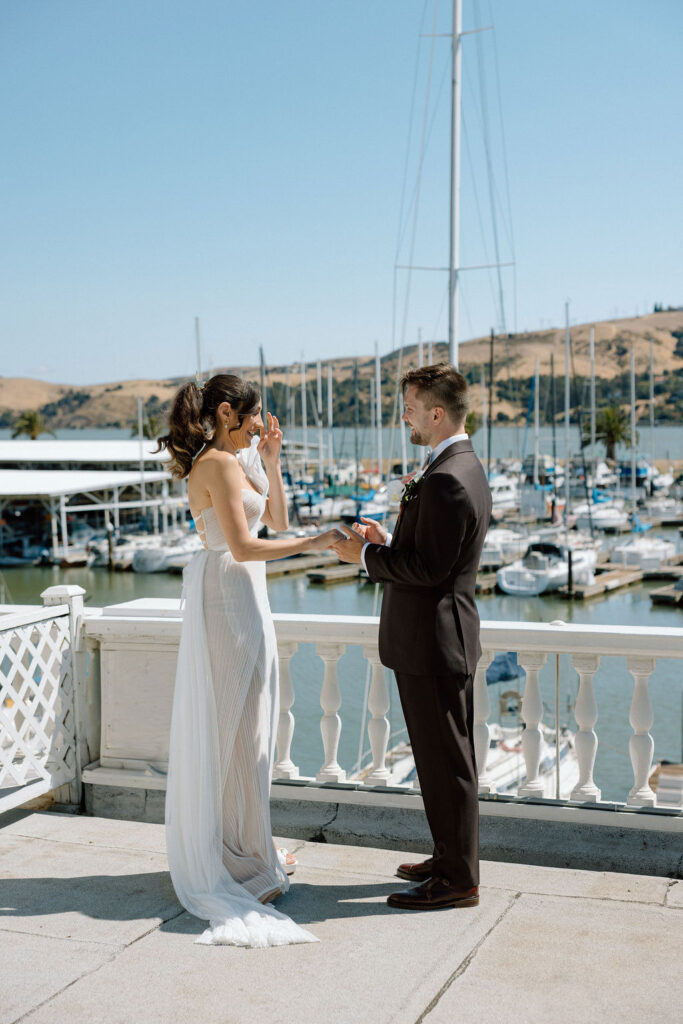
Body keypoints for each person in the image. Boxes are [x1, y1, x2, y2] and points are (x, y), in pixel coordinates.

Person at [158, 374, 340, 947]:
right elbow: (241, 546)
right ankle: (235, 862)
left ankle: (250, 852)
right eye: (256, 417)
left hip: (249, 595)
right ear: (229, 411)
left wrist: (274, 460)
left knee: (253, 730)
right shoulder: (215, 464)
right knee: (235, 731)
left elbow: (276, 522)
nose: (262, 424)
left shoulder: (242, 459)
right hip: (229, 593)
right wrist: (319, 542)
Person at [332, 363, 491, 910]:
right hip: (435, 641)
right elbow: (429, 553)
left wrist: (367, 557)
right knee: (441, 761)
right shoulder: (455, 465)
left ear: (436, 412)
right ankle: (450, 857)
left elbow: (430, 571)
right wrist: (388, 539)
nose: (405, 416)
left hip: (434, 644)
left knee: (447, 764)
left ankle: (458, 880)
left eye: (410, 407)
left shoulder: (447, 477)